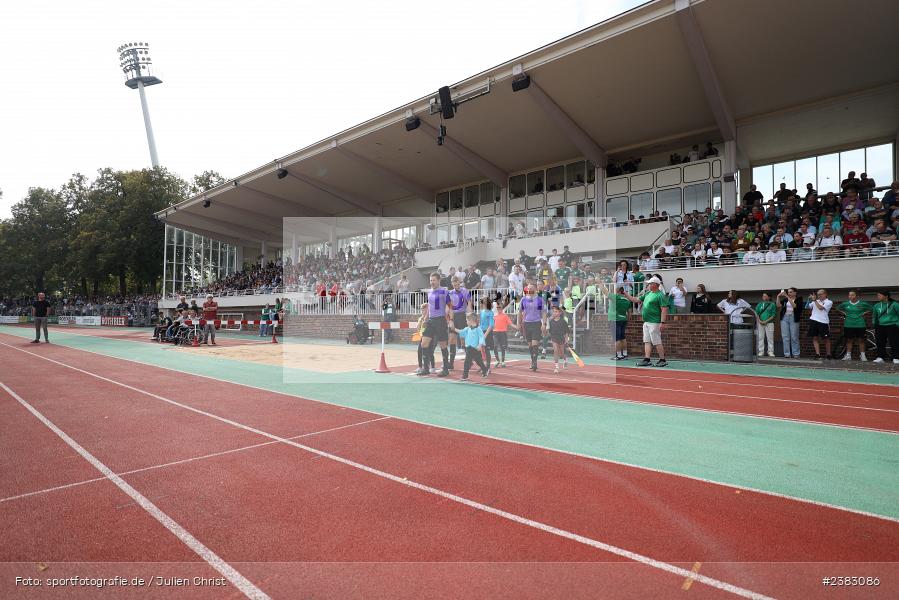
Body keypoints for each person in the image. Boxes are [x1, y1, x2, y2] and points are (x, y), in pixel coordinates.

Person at [624, 276, 668, 367]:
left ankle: (662, 360)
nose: (648, 285)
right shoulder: (648, 293)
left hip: (654, 322)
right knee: (647, 341)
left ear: (655, 285)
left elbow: (664, 309)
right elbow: (636, 300)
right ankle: (647, 359)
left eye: (650, 283)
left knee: (657, 341)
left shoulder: (660, 295)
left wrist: (662, 323)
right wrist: (626, 295)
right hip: (647, 322)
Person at [418, 272, 453, 376]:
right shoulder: (429, 292)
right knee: (424, 343)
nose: (431, 282)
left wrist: (450, 320)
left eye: (433, 280)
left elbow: (450, 306)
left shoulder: (444, 291)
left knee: (443, 345)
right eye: (430, 280)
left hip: (441, 320)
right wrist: (425, 319)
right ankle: (426, 369)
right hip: (431, 321)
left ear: (438, 280)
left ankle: (445, 369)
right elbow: (429, 306)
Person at [518, 284, 548, 371]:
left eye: (531, 288)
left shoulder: (539, 300)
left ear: (535, 289)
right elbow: (520, 312)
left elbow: (543, 312)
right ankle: (533, 361)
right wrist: (519, 323)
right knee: (530, 345)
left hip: (536, 323)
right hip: (527, 324)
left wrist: (544, 324)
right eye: (528, 288)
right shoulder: (524, 299)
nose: (529, 290)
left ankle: (535, 363)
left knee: (535, 344)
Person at [837, 290, 872, 361]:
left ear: (856, 296)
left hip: (860, 324)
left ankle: (862, 355)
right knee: (849, 340)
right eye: (849, 295)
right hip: (848, 324)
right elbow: (838, 308)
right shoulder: (845, 304)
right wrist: (844, 313)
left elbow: (871, 308)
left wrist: (864, 313)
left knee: (861, 340)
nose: (850, 296)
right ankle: (848, 355)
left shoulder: (863, 304)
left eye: (852, 295)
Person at [454, 313, 488, 381]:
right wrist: (453, 328)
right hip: (469, 348)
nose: (466, 322)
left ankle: (485, 370)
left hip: (475, 349)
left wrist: (480, 345)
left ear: (471, 321)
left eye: (467, 320)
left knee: (479, 362)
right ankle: (465, 376)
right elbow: (461, 332)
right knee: (467, 362)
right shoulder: (467, 328)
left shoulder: (478, 329)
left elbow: (481, 338)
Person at [447, 277, 472, 370]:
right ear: (452, 284)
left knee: (463, 340)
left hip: (462, 316)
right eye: (454, 285)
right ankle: (451, 363)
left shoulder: (464, 291)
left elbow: (469, 303)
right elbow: (449, 307)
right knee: (452, 339)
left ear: (459, 282)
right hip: (454, 317)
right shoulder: (450, 293)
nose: (456, 286)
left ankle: (469, 361)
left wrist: (469, 316)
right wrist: (450, 319)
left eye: (457, 284)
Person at [872, 291, 899, 364]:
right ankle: (881, 357)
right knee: (880, 342)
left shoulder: (895, 304)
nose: (878, 297)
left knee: (894, 342)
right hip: (880, 326)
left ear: (886, 296)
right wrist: (875, 324)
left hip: (892, 325)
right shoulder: (876, 305)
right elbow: (874, 316)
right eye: (877, 295)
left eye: (879, 295)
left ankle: (896, 357)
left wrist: (897, 324)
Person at [807, 289, 833, 359]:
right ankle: (817, 354)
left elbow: (821, 308)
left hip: (823, 322)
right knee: (815, 338)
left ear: (825, 294)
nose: (819, 296)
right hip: (813, 320)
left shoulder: (829, 302)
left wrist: (814, 300)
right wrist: (809, 300)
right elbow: (807, 307)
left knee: (826, 338)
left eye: (820, 294)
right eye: (818, 294)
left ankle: (828, 354)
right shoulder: (816, 301)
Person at [776, 288, 802, 358]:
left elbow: (795, 306)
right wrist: (778, 297)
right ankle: (787, 354)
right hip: (785, 318)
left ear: (795, 293)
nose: (789, 293)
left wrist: (787, 296)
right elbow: (778, 305)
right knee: (785, 337)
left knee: (794, 337)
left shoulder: (799, 299)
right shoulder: (785, 300)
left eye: (790, 292)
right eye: (788, 292)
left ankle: (796, 354)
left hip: (793, 318)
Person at [607, 285, 632, 360]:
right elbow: (629, 313)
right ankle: (624, 354)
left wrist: (599, 283)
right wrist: (626, 320)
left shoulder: (616, 297)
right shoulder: (627, 300)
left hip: (615, 320)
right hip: (623, 319)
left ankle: (618, 355)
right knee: (622, 338)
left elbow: (605, 292)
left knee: (617, 339)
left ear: (618, 291)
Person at [548, 305, 571, 373]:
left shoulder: (563, 321)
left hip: (561, 338)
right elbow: (549, 330)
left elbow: (567, 331)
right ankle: (556, 367)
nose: (554, 313)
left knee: (562, 353)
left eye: (556, 312)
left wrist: (566, 339)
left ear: (560, 313)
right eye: (553, 312)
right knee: (555, 351)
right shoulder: (551, 321)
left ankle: (565, 360)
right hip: (554, 338)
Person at [755, 292, 777, 357]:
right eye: (763, 296)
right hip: (760, 323)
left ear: (769, 297)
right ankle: (761, 351)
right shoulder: (760, 304)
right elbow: (757, 313)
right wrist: (759, 321)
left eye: (765, 296)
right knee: (760, 337)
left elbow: (773, 315)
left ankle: (770, 351)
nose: (763, 297)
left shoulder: (772, 304)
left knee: (770, 338)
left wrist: (766, 321)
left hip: (770, 323)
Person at [478, 297, 495, 370]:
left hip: (487, 333)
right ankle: (482, 365)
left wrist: (485, 335)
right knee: (481, 349)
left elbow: (491, 325)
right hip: (481, 332)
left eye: (483, 301)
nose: (481, 302)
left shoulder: (490, 312)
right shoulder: (481, 311)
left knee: (487, 350)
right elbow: (480, 323)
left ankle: (488, 367)